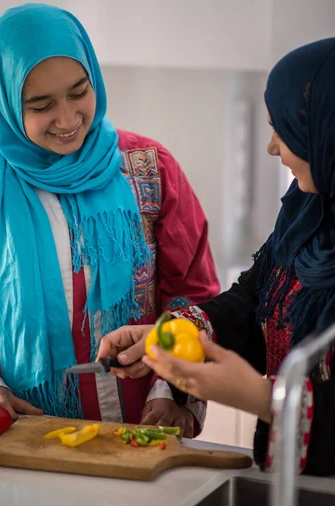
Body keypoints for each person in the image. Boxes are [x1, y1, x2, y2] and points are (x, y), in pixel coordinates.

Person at [0, 3, 220, 437]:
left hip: (145, 424)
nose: (68, 120)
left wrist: (174, 388)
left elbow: (194, 295)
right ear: (4, 103)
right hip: (19, 432)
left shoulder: (150, 167)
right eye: (41, 105)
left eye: (78, 92)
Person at [98, 38, 335, 475]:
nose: (271, 147)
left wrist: (260, 399)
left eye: (286, 129)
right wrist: (172, 332)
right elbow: (252, 304)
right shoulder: (309, 213)